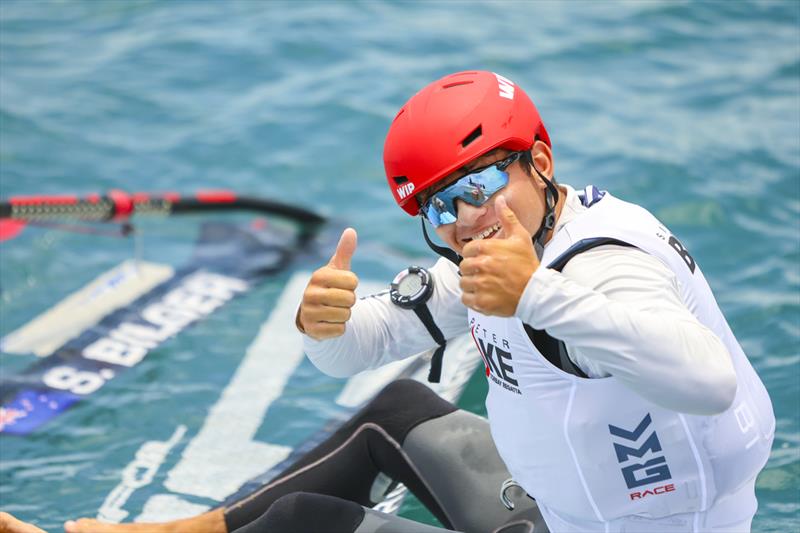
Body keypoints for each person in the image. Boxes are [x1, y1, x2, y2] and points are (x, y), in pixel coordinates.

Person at [66, 70, 775, 532]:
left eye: (480, 185)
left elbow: (707, 380)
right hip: (558, 515)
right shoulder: (510, 244)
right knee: (399, 407)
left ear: (541, 161)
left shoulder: (604, 264)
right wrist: (323, 322)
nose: (467, 220)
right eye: (441, 208)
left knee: (303, 521)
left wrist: (535, 294)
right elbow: (359, 347)